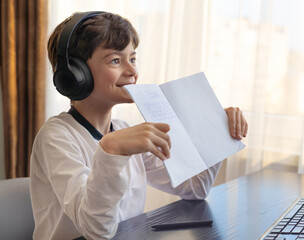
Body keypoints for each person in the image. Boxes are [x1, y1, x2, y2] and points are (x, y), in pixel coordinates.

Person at [30, 11, 248, 240]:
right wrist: (111, 151)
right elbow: (95, 230)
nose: (133, 71)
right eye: (116, 60)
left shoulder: (124, 130)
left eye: (132, 59)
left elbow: (195, 189)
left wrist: (216, 130)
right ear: (76, 75)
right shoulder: (56, 137)